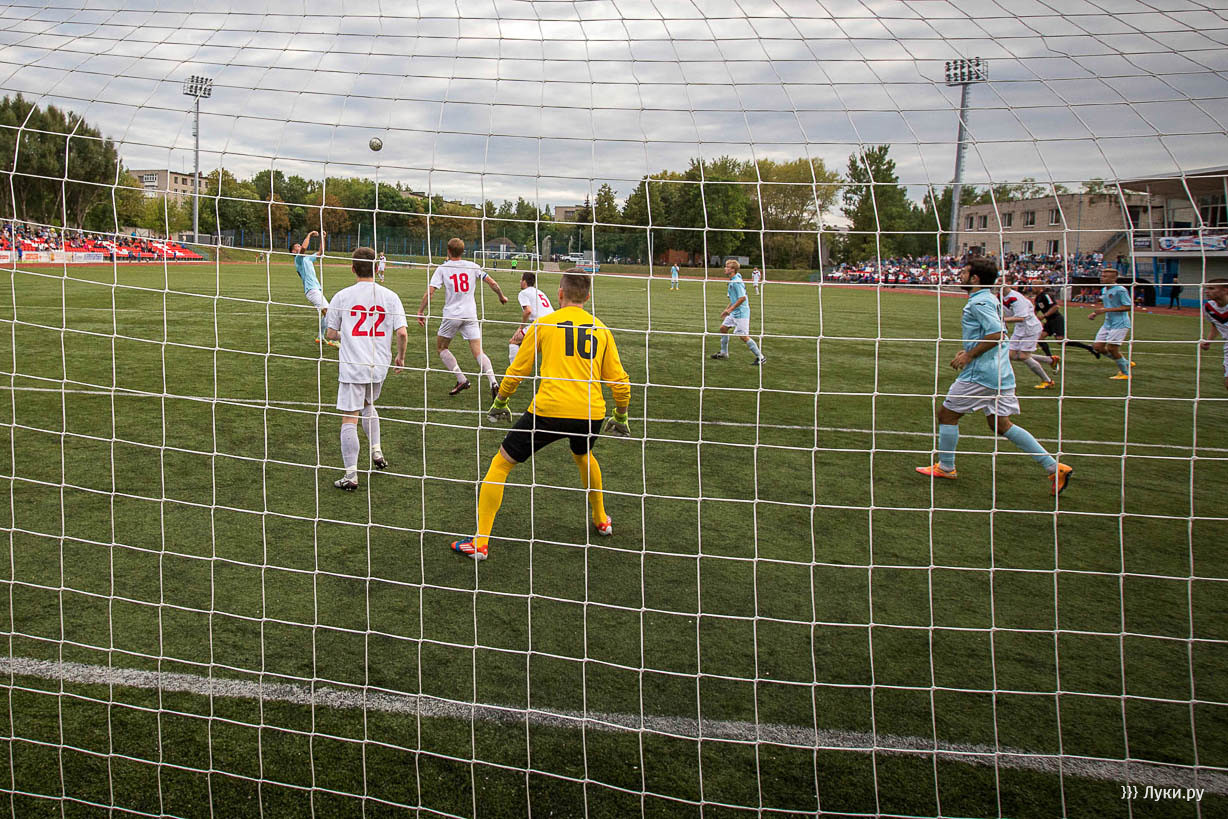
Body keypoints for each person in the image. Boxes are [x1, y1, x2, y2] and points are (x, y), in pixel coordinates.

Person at [452, 271, 631, 560]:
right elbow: (619, 382)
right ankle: (601, 520)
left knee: (501, 464)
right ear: (587, 297)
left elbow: (518, 370)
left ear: (560, 294)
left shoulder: (544, 324)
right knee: (583, 455)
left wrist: (501, 401)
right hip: (590, 413)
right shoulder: (601, 329)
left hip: (549, 410)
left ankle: (480, 542)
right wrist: (621, 414)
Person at [916, 257, 1073, 495]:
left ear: (975, 278)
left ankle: (946, 466)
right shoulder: (989, 298)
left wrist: (970, 355)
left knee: (947, 415)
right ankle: (1054, 467)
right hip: (1000, 372)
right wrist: (968, 350)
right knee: (1000, 424)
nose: (960, 276)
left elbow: (996, 334)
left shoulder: (979, 302)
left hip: (982, 374)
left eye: (964, 273)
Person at [324, 247, 408, 491]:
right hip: (378, 366)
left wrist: (347, 335)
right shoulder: (390, 296)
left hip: (353, 367)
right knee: (369, 404)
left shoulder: (342, 296)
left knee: (349, 416)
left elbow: (330, 333)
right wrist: (400, 357)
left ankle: (351, 475)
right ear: (376, 267)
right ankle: (376, 451)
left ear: (352, 268)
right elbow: (402, 333)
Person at [416, 237, 509, 399]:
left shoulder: (443, 268)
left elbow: (430, 292)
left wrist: (420, 311)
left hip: (452, 315)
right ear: (463, 251)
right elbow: (493, 283)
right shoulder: (472, 266)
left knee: (442, 348)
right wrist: (501, 296)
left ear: (448, 251)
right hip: (470, 315)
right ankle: (493, 382)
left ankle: (461, 379)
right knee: (478, 351)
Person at [1001, 279, 1057, 389]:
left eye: (999, 282)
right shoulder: (1001, 296)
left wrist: (1002, 320)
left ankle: (1047, 381)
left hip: (1030, 328)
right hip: (1020, 328)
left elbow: (1021, 318)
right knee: (1010, 355)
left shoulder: (1016, 298)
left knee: (1023, 356)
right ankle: (1050, 360)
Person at [711, 259, 766, 365]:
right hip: (734, 312)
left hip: (741, 313)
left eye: (727, 267)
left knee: (743, 336)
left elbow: (742, 298)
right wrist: (727, 309)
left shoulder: (736, 282)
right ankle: (724, 353)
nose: (725, 269)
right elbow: (734, 299)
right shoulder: (733, 279)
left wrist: (729, 310)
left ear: (733, 270)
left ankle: (761, 357)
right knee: (723, 328)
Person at [292, 230, 336, 347]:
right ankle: (333, 338)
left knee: (326, 313)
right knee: (328, 312)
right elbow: (304, 248)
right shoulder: (298, 259)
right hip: (311, 291)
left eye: (299, 245)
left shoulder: (308, 259)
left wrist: (323, 238)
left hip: (316, 289)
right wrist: (309, 235)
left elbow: (321, 252)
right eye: (297, 246)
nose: (300, 246)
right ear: (293, 251)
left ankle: (320, 337)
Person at [1032, 284, 1099, 361]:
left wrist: (1044, 316)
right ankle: (1050, 359)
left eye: (1034, 286)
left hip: (1056, 319)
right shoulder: (1037, 298)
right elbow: (1035, 311)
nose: (1032, 288)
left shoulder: (1046, 295)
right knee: (1040, 338)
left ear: (1039, 287)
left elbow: (1055, 307)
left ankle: (1089, 347)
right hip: (1049, 321)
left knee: (1060, 340)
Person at [1089, 268, 1134, 380]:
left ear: (1114, 278)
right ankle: (1124, 362)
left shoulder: (1120, 290)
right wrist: (1095, 313)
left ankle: (1125, 373)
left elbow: (1128, 307)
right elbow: (1108, 305)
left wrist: (1105, 310)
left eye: (1105, 276)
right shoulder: (1104, 289)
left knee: (1112, 349)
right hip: (1108, 323)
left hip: (1120, 323)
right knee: (1097, 347)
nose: (1102, 278)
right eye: (1102, 276)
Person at [508, 270, 555, 363]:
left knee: (514, 341)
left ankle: (514, 370)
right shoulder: (539, 292)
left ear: (524, 282)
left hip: (541, 324)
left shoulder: (524, 293)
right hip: (554, 322)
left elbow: (528, 311)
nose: (520, 282)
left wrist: (520, 328)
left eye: (521, 279)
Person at [1200, 278, 1228, 392]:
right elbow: (1216, 324)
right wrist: (1209, 341)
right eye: (1207, 289)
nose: (1207, 291)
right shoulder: (1208, 307)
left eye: (1212, 288)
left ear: (1225, 290)